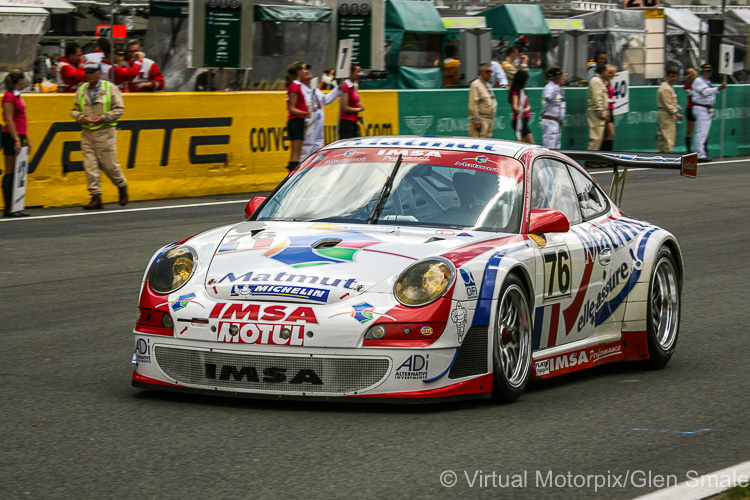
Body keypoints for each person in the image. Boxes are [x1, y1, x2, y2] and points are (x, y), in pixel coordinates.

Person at [70, 62, 128, 210]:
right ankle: (96, 196)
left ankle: (121, 185)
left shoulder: (110, 88)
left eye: (91, 72)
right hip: (87, 132)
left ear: (99, 73)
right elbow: (74, 109)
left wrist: (105, 117)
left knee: (109, 166)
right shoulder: (81, 89)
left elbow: (120, 109)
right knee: (90, 166)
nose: (88, 74)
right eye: (86, 72)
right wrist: (80, 117)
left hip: (105, 132)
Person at [2, 71, 31, 217]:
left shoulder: (18, 96)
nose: (25, 82)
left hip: (19, 134)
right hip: (11, 136)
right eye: (24, 79)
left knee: (18, 173)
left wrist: (26, 138)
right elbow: (9, 119)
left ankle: (15, 206)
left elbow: (21, 120)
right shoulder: (9, 96)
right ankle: (8, 208)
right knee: (10, 171)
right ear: (20, 80)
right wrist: (17, 140)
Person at [300, 69, 341, 160]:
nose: (308, 72)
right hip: (309, 124)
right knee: (307, 148)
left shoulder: (315, 88)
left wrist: (337, 90)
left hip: (318, 124)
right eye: (305, 72)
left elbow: (325, 100)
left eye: (309, 71)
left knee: (318, 147)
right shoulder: (301, 89)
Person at [692, 63, 727, 162]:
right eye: (705, 71)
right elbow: (706, 92)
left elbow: (710, 96)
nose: (707, 73)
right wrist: (719, 88)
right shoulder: (698, 81)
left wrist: (710, 110)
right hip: (701, 108)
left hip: (706, 109)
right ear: (702, 71)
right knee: (700, 132)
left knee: (704, 133)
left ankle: (701, 153)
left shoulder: (707, 81)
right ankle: (699, 154)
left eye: (709, 71)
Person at [285, 61, 311, 172]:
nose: (306, 71)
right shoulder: (294, 86)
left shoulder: (298, 86)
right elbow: (292, 108)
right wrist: (305, 113)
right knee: (296, 154)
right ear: (298, 72)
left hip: (299, 121)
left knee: (298, 153)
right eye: (304, 69)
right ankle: (292, 176)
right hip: (295, 121)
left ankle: (293, 173)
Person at [656, 67, 683, 153]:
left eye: (675, 77)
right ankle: (668, 156)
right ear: (667, 76)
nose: (674, 79)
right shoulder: (666, 88)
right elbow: (668, 104)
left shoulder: (668, 87)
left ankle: (661, 156)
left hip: (665, 114)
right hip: (666, 115)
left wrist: (676, 107)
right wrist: (676, 113)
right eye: (672, 77)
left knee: (662, 136)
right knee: (668, 136)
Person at [468, 63, 496, 138]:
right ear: (480, 72)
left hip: (489, 120)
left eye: (491, 71)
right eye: (487, 71)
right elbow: (473, 104)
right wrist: (476, 120)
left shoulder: (487, 85)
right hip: (481, 121)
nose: (490, 73)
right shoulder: (475, 84)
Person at [541, 67, 566, 149]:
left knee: (557, 146)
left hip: (556, 122)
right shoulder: (549, 87)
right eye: (560, 77)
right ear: (556, 78)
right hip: (550, 121)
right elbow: (549, 97)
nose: (562, 78)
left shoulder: (558, 88)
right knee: (550, 146)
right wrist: (558, 86)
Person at [339, 64, 365, 140]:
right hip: (346, 123)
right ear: (350, 73)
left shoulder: (354, 86)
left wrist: (359, 116)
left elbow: (355, 104)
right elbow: (345, 108)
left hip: (353, 121)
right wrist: (359, 110)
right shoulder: (346, 86)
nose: (359, 74)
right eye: (357, 71)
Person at [587, 64, 609, 151]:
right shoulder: (596, 81)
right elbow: (597, 97)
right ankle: (591, 160)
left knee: (598, 137)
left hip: (598, 113)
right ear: (603, 72)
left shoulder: (599, 81)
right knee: (595, 137)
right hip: (596, 113)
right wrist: (600, 111)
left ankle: (594, 160)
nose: (608, 73)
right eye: (607, 71)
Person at [509, 70, 534, 144]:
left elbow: (529, 106)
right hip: (519, 121)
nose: (527, 81)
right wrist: (524, 110)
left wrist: (526, 109)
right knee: (529, 143)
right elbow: (515, 107)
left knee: (525, 144)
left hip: (524, 120)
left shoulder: (523, 91)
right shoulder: (515, 92)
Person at [601, 64, 617, 151]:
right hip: (607, 109)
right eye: (609, 73)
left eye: (612, 73)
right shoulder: (603, 84)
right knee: (609, 133)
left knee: (609, 134)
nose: (611, 75)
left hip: (610, 109)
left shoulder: (609, 83)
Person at [683, 68, 697, 153]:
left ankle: (689, 151)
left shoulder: (686, 85)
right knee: (700, 130)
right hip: (696, 108)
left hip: (689, 108)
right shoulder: (696, 85)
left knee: (689, 131)